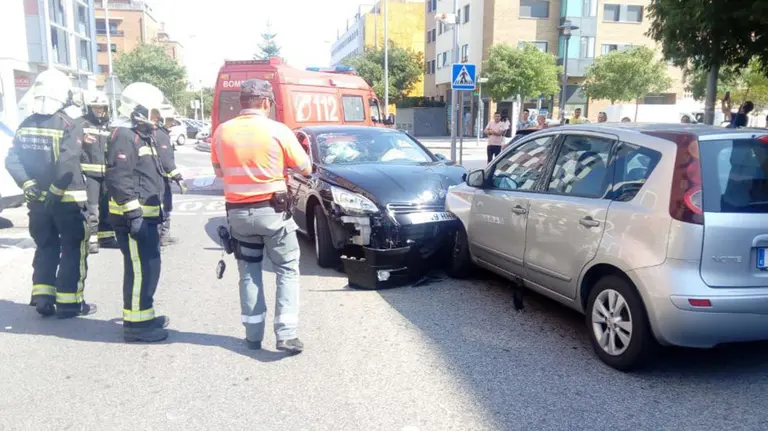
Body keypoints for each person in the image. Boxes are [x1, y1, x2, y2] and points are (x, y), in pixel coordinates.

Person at [211, 79, 311, 354]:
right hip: (273, 212)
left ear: (241, 102)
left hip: (238, 215)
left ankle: (253, 336)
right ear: (266, 102)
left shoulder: (222, 131)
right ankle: (286, 335)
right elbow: (305, 168)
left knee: (248, 272)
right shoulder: (277, 130)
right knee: (287, 268)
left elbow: (219, 172)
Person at [4, 69, 96, 318]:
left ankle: (43, 297)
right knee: (73, 248)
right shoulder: (69, 123)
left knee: (46, 246)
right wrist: (56, 190)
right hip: (67, 201)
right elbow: (67, 162)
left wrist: (27, 184)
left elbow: (12, 160)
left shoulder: (26, 124)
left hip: (38, 204)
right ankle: (69, 303)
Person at [105, 82, 171, 342]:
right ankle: (136, 327)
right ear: (138, 110)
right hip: (134, 217)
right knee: (140, 270)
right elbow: (119, 177)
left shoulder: (141, 135)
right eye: (153, 113)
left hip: (146, 216)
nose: (157, 118)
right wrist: (133, 213)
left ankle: (143, 315)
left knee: (149, 267)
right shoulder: (124, 136)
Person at [79, 90, 116, 253]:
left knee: (106, 207)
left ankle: (107, 238)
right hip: (90, 175)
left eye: (102, 107)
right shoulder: (82, 124)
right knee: (92, 209)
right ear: (89, 108)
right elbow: (73, 145)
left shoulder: (109, 125)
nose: (99, 110)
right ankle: (91, 240)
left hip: (106, 174)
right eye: (96, 107)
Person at [152, 111, 185, 246]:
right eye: (169, 120)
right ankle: (163, 236)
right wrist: (178, 177)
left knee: (162, 206)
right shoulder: (161, 135)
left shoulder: (159, 134)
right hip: (162, 178)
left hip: (157, 177)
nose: (172, 123)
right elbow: (166, 161)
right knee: (165, 206)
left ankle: (162, 235)